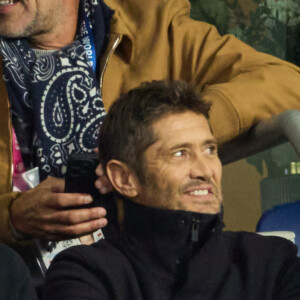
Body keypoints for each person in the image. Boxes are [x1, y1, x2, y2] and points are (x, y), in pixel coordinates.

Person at [1, 0, 300, 246]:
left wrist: (179, 129)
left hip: (153, 264)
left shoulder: (155, 27)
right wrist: (11, 217)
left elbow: (288, 82)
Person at [42, 80, 300, 300]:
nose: (204, 170)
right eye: (180, 153)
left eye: (210, 150)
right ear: (124, 179)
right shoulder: (85, 273)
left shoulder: (272, 261)